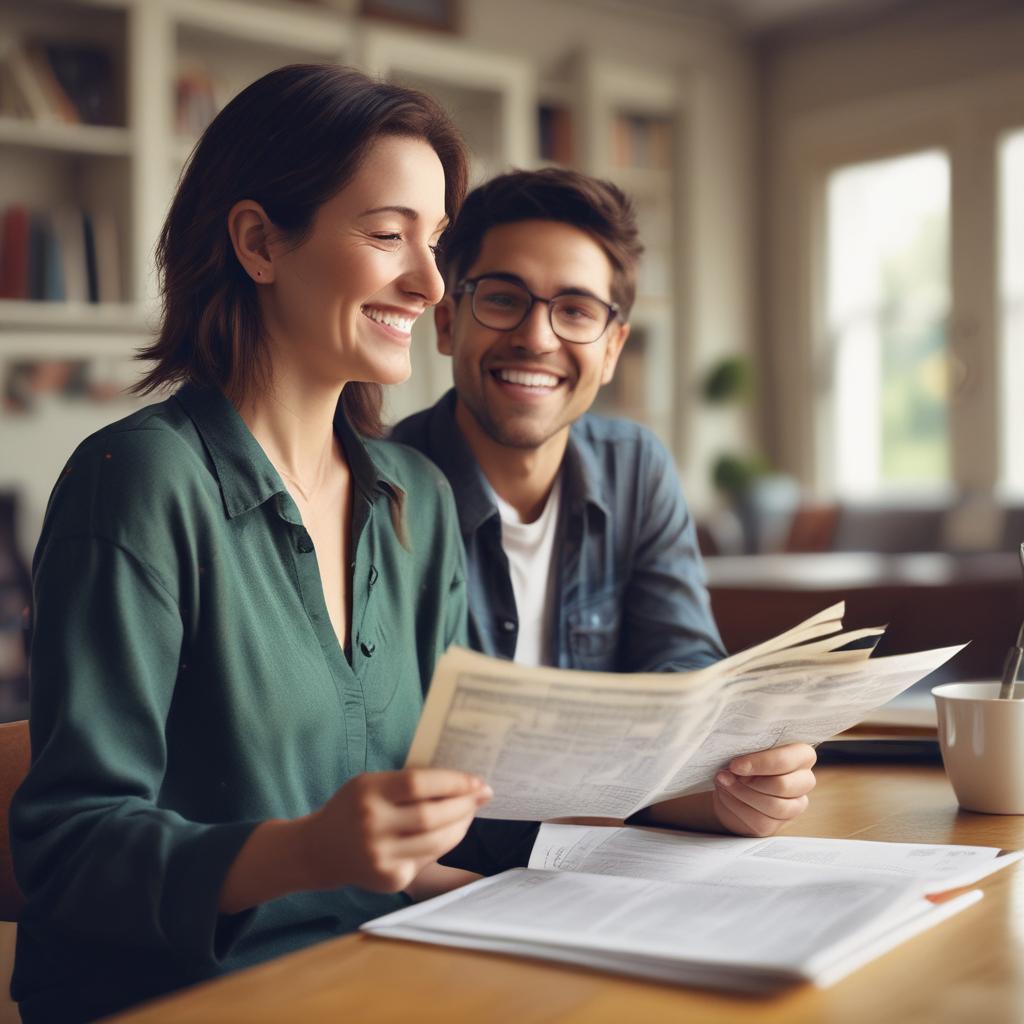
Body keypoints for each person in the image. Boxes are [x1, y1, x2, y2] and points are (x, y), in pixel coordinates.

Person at [10, 65, 491, 1023]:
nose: (432, 282)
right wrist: (303, 852)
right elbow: (67, 851)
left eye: (435, 242)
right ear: (259, 241)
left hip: (379, 980)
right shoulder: (139, 482)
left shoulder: (421, 502)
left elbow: (402, 854)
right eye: (388, 234)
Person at [390, 168, 817, 864]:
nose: (536, 337)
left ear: (613, 348)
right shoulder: (383, 487)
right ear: (446, 320)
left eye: (577, 310)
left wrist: (736, 779)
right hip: (441, 888)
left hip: (601, 869)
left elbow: (681, 671)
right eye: (502, 298)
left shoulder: (635, 468)